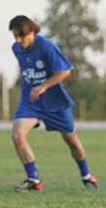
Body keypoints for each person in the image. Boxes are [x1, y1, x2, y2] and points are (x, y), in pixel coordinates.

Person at [8, 15, 99, 192]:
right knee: (17, 135)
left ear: (33, 31)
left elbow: (65, 72)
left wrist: (43, 86)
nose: (19, 41)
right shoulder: (16, 49)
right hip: (31, 102)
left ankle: (86, 175)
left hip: (55, 103)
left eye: (22, 36)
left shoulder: (47, 46)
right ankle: (33, 179)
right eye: (15, 36)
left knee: (71, 139)